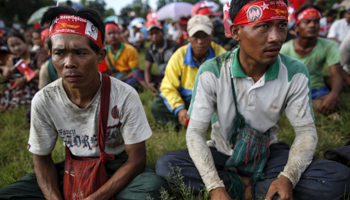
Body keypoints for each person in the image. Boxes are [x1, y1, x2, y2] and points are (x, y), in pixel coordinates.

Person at [155, 0, 350, 200]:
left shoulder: (294, 72)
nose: (276, 37)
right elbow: (195, 132)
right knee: (167, 165)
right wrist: (214, 186)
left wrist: (288, 177)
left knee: (338, 177)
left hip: (268, 154)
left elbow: (306, 132)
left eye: (281, 25)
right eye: (263, 26)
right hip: (222, 152)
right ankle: (259, 188)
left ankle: (249, 188)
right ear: (236, 32)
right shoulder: (212, 71)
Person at [0, 6, 166, 200]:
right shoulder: (44, 100)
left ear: (100, 56)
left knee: (151, 189)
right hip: (72, 167)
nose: (69, 63)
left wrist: (95, 198)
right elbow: (42, 160)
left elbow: (136, 160)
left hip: (115, 166)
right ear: (50, 54)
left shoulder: (124, 95)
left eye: (80, 53)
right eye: (60, 53)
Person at [151, 15, 226, 128]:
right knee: (157, 106)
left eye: (204, 36)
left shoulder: (222, 55)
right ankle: (188, 122)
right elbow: (168, 87)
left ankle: (203, 123)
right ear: (188, 37)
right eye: (196, 36)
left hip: (213, 103)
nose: (200, 41)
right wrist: (180, 109)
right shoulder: (179, 55)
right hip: (187, 102)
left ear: (212, 35)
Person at [281, 4, 343, 116]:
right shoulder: (285, 49)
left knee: (336, 102)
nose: (312, 25)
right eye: (307, 21)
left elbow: (337, 75)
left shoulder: (329, 46)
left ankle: (312, 104)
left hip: (318, 89)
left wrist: (333, 96)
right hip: (295, 92)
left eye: (316, 21)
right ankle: (313, 105)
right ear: (296, 27)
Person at [133, 20, 180, 94]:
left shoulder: (174, 45)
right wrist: (148, 83)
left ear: (162, 32)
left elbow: (180, 68)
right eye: (151, 34)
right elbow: (147, 68)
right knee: (137, 73)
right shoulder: (150, 49)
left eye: (157, 32)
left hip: (174, 78)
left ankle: (162, 89)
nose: (154, 36)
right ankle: (153, 89)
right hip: (162, 77)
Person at [0, 31, 40, 112]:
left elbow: (41, 70)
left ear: (24, 42)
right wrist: (5, 69)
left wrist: (24, 80)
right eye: (12, 46)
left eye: (18, 44)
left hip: (33, 86)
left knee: (20, 82)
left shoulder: (36, 54)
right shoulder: (12, 60)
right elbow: (7, 77)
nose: (16, 48)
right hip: (16, 87)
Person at [104, 22, 138, 87]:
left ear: (119, 34)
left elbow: (135, 72)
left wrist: (121, 80)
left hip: (128, 78)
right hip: (114, 78)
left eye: (114, 32)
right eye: (109, 33)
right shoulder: (104, 52)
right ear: (105, 37)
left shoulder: (130, 49)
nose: (112, 36)